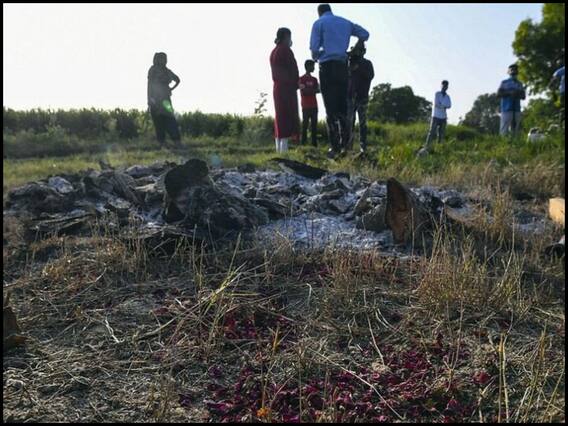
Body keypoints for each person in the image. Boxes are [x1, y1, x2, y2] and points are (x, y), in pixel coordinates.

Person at [310, 4, 369, 159]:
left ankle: (335, 147)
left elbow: (314, 50)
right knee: (343, 108)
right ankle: (346, 146)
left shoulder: (319, 23)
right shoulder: (345, 22)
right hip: (342, 67)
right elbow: (365, 34)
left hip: (327, 67)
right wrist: (354, 50)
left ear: (319, 13)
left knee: (330, 109)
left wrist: (318, 56)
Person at [270, 27, 300, 153]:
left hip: (277, 87)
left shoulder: (274, 51)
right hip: (287, 88)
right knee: (287, 116)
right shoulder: (285, 50)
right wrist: (296, 83)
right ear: (286, 37)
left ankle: (279, 149)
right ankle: (284, 150)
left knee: (280, 116)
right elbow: (293, 69)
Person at [147, 52, 181, 146]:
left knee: (169, 119)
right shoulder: (153, 70)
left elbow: (177, 80)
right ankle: (163, 142)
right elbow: (149, 85)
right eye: (162, 58)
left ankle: (176, 141)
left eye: (165, 59)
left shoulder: (166, 71)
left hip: (165, 99)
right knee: (159, 121)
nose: (164, 60)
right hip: (156, 99)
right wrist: (149, 99)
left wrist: (171, 89)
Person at [346, 42, 374, 154]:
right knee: (349, 123)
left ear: (364, 51)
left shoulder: (367, 63)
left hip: (362, 97)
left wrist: (359, 68)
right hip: (350, 97)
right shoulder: (349, 62)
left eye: (360, 50)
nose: (358, 52)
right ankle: (348, 146)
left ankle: (363, 147)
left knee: (362, 123)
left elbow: (370, 76)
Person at [418, 80, 452, 156]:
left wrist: (442, 105)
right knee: (431, 132)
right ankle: (427, 147)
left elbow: (449, 105)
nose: (444, 87)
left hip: (443, 117)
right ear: (441, 86)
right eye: (443, 85)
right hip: (436, 116)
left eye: (446, 86)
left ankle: (439, 148)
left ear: (447, 87)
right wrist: (444, 106)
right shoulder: (437, 94)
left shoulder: (447, 96)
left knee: (441, 134)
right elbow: (437, 104)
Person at [497, 64, 526, 137]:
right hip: (506, 108)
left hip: (516, 108)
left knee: (516, 129)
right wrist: (510, 93)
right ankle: (503, 142)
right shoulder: (504, 82)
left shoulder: (519, 84)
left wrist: (517, 94)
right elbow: (498, 94)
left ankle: (515, 142)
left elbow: (523, 96)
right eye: (512, 69)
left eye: (515, 69)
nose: (513, 71)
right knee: (504, 129)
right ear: (508, 71)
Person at [299, 60, 320, 147]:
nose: (313, 68)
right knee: (305, 125)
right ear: (307, 67)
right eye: (312, 66)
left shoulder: (315, 79)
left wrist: (309, 90)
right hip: (305, 106)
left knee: (314, 126)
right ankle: (303, 144)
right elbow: (304, 92)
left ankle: (314, 144)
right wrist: (312, 90)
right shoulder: (301, 79)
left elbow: (318, 90)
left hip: (314, 105)